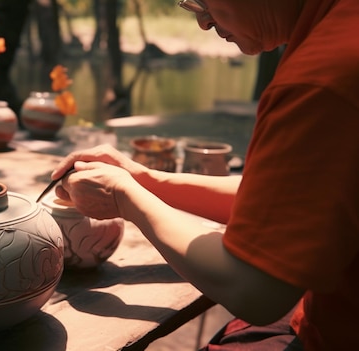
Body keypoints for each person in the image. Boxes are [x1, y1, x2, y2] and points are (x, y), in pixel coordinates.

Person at [49, 0, 359, 349]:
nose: (202, 22)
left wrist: (126, 197)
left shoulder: (322, 79)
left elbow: (255, 290)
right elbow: (296, 198)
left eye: (202, 1)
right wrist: (145, 179)